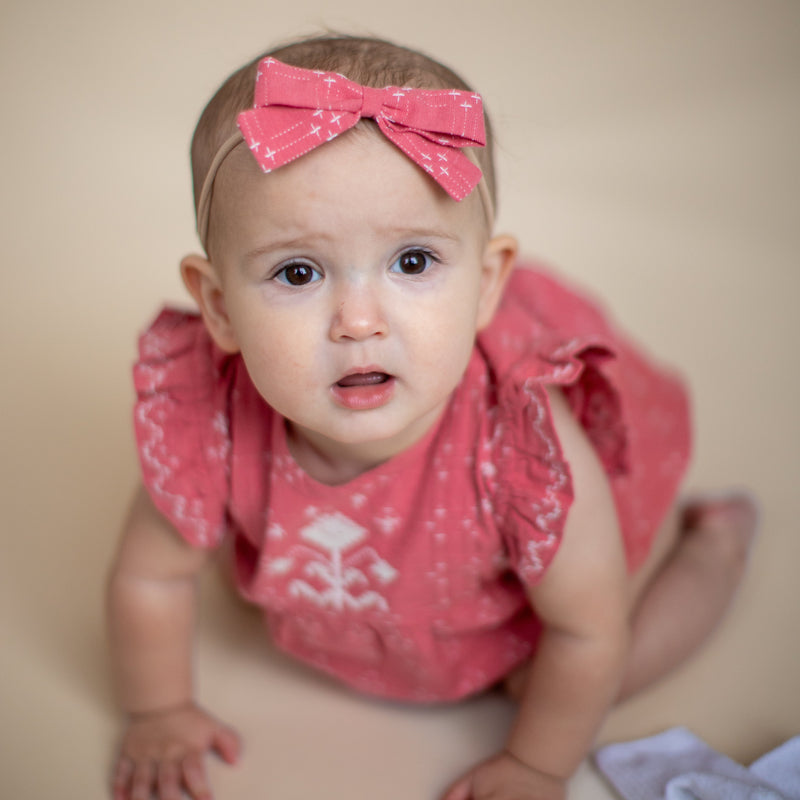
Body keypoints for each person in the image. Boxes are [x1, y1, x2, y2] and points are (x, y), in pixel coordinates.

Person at [106, 33, 757, 800]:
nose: (358, 321)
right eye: (298, 271)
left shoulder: (522, 447)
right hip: (343, 612)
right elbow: (150, 578)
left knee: (602, 665)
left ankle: (716, 547)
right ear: (217, 306)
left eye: (413, 262)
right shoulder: (210, 421)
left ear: (486, 286)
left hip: (503, 641)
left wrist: (535, 766)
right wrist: (160, 709)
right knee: (205, 560)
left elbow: (588, 629)